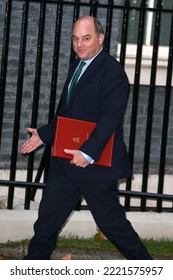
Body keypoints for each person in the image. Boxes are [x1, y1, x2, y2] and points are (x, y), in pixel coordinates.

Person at [21, 16, 153, 260]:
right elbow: (67, 114)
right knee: (46, 223)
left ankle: (149, 269)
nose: (79, 44)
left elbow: (109, 119)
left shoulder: (113, 72)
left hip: (96, 166)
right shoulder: (77, 65)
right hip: (65, 162)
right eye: (75, 38)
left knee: (112, 224)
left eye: (86, 38)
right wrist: (44, 135)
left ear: (101, 39)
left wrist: (88, 153)